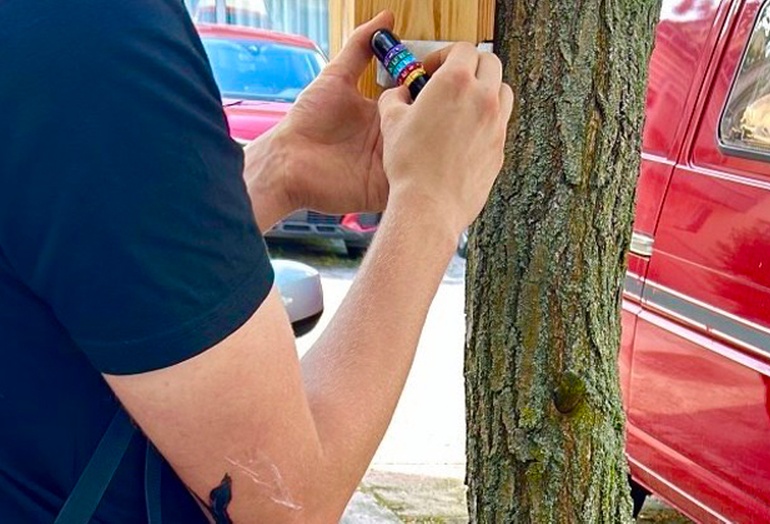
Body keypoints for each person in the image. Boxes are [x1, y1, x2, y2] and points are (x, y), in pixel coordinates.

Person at [0, 1, 512, 523]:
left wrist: (283, 165)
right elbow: (290, 507)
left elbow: (100, 248)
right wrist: (429, 203)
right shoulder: (97, 30)